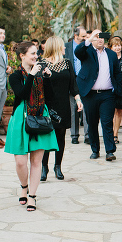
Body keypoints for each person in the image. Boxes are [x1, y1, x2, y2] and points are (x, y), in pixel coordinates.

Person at [6, 41, 60, 211]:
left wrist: (47, 78)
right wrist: (31, 76)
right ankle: (24, 186)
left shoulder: (41, 73)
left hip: (40, 117)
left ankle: (32, 196)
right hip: (21, 118)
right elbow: (21, 94)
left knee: (37, 161)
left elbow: (51, 98)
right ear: (22, 56)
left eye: (37, 53)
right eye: (32, 54)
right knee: (20, 161)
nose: (36, 57)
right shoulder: (15, 76)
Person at [75, 29, 122, 161]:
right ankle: (95, 150)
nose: (100, 39)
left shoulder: (111, 54)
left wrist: (116, 88)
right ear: (93, 39)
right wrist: (89, 40)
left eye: (102, 37)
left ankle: (110, 151)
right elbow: (77, 51)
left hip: (107, 94)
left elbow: (117, 72)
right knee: (92, 123)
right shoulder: (87, 52)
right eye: (97, 37)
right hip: (90, 94)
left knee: (107, 122)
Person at [40, 36, 81, 181]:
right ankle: (44, 167)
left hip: (63, 104)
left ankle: (58, 167)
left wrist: (78, 99)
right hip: (47, 105)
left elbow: (73, 85)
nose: (65, 48)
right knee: (46, 136)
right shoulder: (42, 64)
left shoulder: (67, 63)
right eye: (62, 46)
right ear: (56, 47)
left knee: (61, 136)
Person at [66, 26, 89, 144]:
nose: (86, 38)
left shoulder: (87, 46)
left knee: (86, 108)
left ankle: (88, 135)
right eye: (83, 36)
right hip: (72, 79)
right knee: (73, 108)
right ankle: (74, 135)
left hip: (85, 80)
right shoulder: (67, 47)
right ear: (76, 36)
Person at [110, 36, 122, 143]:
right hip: (111, 87)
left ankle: (115, 134)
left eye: (119, 46)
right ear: (111, 47)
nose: (117, 48)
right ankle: (111, 131)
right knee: (111, 111)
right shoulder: (109, 57)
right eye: (115, 46)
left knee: (119, 111)